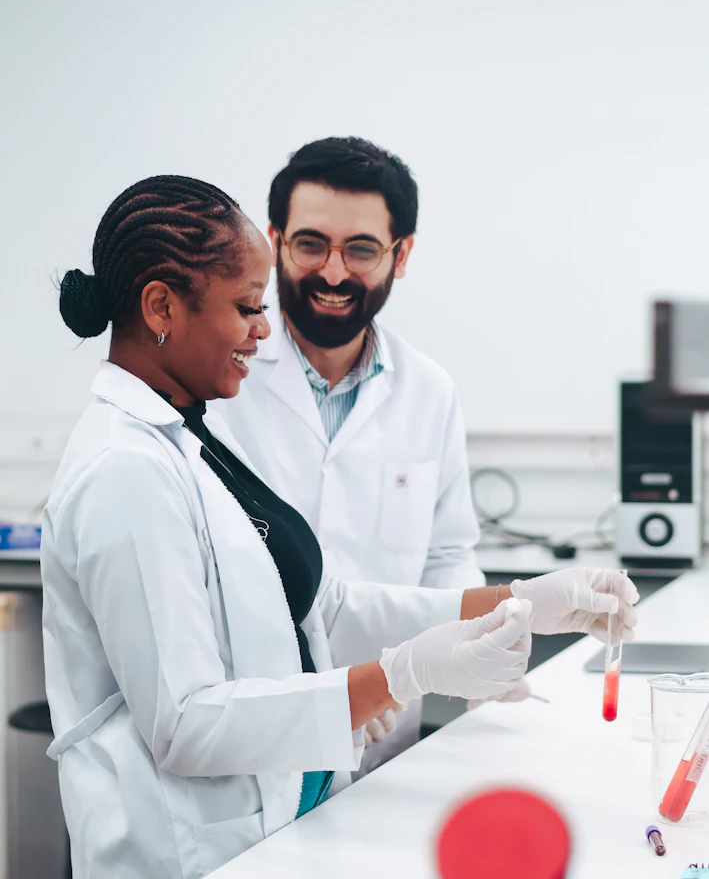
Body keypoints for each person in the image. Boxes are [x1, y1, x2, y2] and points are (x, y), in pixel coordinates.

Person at [42, 175, 638, 879]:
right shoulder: (124, 469)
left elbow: (322, 608)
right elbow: (185, 723)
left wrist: (520, 601)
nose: (262, 332)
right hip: (188, 854)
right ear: (161, 305)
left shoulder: (186, 438)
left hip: (288, 825)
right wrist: (397, 676)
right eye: (245, 309)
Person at [214, 137, 485, 764]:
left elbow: (447, 554)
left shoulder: (429, 391)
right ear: (276, 240)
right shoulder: (221, 379)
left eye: (361, 249)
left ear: (402, 254)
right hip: (255, 731)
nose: (333, 273)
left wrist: (474, 640)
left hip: (387, 741)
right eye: (311, 244)